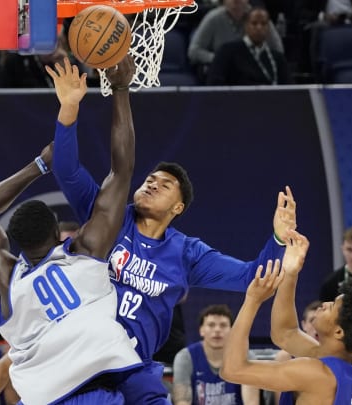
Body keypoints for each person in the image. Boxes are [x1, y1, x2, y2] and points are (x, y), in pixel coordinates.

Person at [51, 61, 295, 404]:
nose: (152, 184)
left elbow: (251, 277)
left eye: (165, 185)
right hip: (83, 362)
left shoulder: (187, 253)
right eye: (150, 179)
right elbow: (66, 170)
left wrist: (279, 239)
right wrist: (69, 108)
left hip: (135, 368)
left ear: (178, 208)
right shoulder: (107, 218)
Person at [0, 55, 143, 404]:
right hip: (94, 389)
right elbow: (121, 171)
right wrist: (120, 89)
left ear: (15, 244)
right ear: (58, 235)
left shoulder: (9, 281)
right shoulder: (85, 252)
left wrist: (37, 166)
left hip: (43, 397)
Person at [220, 229, 352, 405]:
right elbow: (285, 333)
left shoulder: (315, 374)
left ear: (339, 331)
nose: (325, 304)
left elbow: (232, 370)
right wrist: (290, 274)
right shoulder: (350, 365)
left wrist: (252, 301)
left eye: (332, 307)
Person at [172, 304, 260, 405]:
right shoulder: (185, 357)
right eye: (211, 325)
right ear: (201, 330)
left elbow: (251, 402)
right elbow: (182, 401)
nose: (217, 330)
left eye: (223, 325)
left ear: (232, 330)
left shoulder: (246, 357)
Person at [187, 0, 284, 82]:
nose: (236, 2)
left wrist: (258, 60)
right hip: (224, 74)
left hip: (254, 74)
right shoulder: (213, 18)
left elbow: (278, 50)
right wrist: (221, 60)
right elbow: (194, 51)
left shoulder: (258, 17)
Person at [207, 7, 291, 85]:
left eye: (263, 23)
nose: (259, 27)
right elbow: (214, 84)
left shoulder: (277, 58)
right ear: (246, 26)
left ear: (268, 27)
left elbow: (289, 89)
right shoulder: (227, 51)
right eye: (254, 23)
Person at [272, 300, 321, 403]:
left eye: (321, 320)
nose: (317, 325)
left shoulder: (337, 356)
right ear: (303, 325)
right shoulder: (285, 357)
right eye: (312, 320)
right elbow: (280, 400)